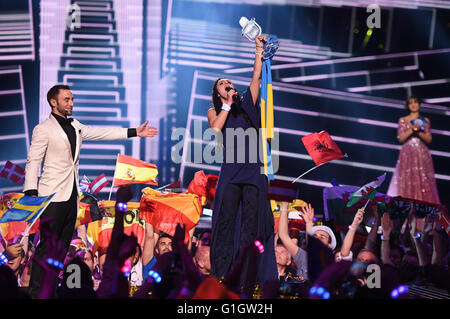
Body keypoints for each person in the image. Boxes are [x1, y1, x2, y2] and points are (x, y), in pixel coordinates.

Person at [23, 84, 158, 298]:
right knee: (46, 248)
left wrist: (134, 132)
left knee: (61, 249)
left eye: (72, 99)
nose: (71, 103)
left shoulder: (75, 125)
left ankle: (51, 290)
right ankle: (36, 292)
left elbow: (100, 133)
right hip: (50, 197)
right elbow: (33, 162)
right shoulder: (43, 129)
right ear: (53, 102)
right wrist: (31, 193)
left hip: (71, 197)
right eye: (66, 99)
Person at [208, 34, 277, 285]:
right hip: (232, 169)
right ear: (217, 93)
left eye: (228, 82)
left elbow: (256, 75)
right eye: (221, 84)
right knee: (226, 221)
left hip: (253, 168)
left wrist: (258, 48)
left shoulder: (249, 101)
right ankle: (221, 272)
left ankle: (246, 272)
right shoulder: (215, 110)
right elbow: (216, 129)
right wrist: (226, 105)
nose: (227, 84)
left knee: (250, 222)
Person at [387, 95, 440, 204]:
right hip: (407, 153)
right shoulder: (402, 120)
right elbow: (400, 138)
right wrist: (412, 129)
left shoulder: (425, 120)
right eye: (411, 103)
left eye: (415, 102)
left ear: (419, 104)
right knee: (408, 180)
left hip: (421, 153)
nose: (413, 104)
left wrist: (419, 131)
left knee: (423, 181)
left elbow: (429, 139)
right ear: (408, 106)